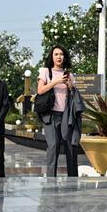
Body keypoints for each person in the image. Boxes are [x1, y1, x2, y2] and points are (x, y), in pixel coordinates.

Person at [37, 45, 77, 177]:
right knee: (53, 146)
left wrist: (70, 86)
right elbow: (40, 90)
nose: (59, 57)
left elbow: (73, 95)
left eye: (61, 54)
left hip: (66, 114)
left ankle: (72, 177)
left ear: (65, 57)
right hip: (50, 114)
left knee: (70, 145)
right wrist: (56, 81)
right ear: (52, 56)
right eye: (56, 54)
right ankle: (50, 178)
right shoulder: (45, 71)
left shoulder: (69, 74)